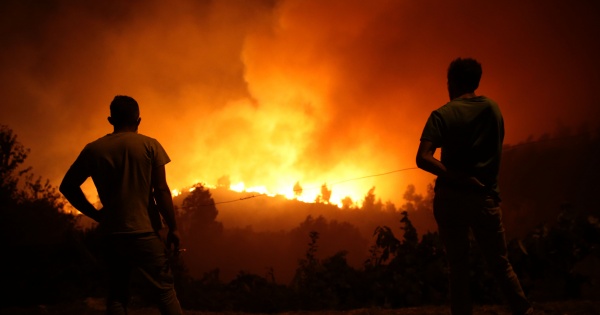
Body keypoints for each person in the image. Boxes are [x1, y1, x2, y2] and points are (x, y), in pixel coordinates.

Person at [416, 58, 533, 315]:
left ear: (452, 82)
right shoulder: (493, 109)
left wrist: (456, 177)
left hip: (451, 198)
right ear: (476, 81)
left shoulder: (442, 114)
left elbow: (422, 157)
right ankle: (523, 311)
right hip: (485, 197)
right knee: (500, 264)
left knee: (457, 266)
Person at [60, 95, 183, 315]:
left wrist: (95, 215)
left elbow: (67, 186)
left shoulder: (94, 150)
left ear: (110, 120)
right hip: (145, 233)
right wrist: (173, 227)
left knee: (117, 295)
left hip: (112, 235)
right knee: (165, 292)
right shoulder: (150, 145)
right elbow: (161, 190)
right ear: (139, 120)